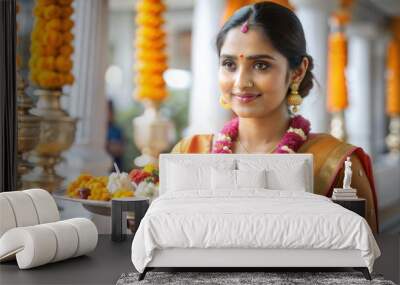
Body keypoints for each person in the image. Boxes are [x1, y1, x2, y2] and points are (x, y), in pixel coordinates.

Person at [171, 2, 378, 233]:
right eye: (229, 64)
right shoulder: (190, 153)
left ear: (297, 72)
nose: (240, 82)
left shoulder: (336, 163)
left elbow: (361, 259)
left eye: (260, 65)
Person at [106, 100, 124, 172]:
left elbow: (120, 149)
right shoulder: (99, 130)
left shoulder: (116, 129)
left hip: (115, 168)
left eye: (109, 111)